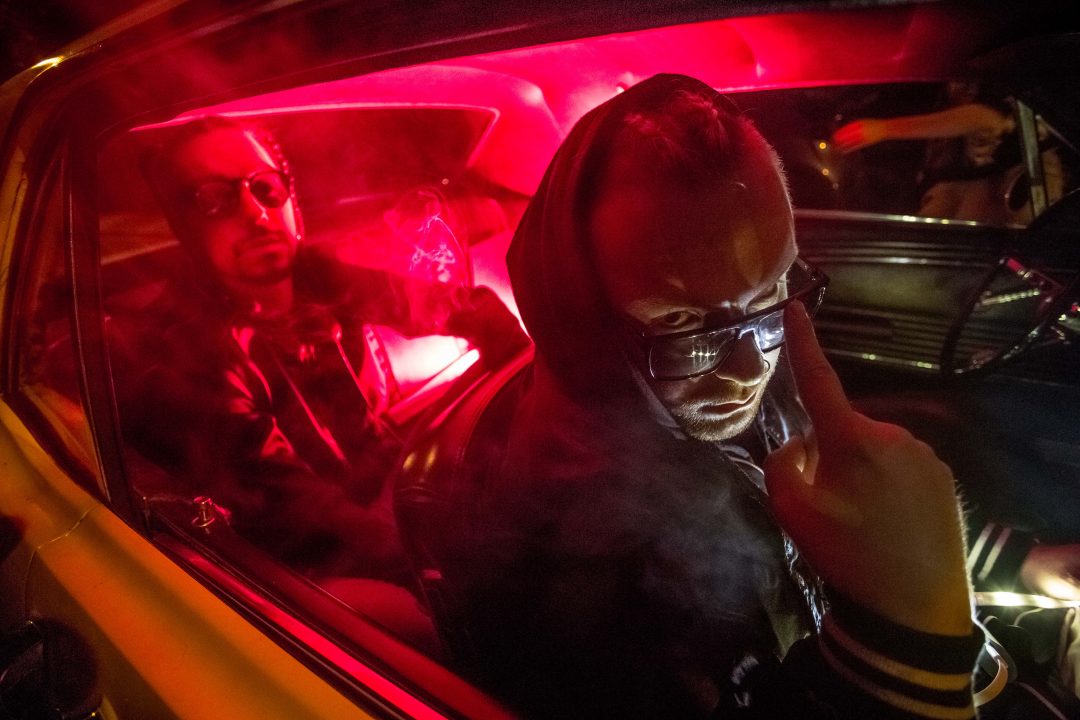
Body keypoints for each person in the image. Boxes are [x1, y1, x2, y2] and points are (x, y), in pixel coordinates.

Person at [442, 74, 984, 718]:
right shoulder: (575, 587)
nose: (751, 369)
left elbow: (823, 498)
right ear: (583, 328)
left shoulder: (713, 363)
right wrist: (912, 646)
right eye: (682, 320)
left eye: (772, 289)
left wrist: (1004, 563)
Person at [109, 116, 528, 586]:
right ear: (181, 224)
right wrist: (428, 557)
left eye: (266, 188)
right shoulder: (185, 350)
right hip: (300, 580)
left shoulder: (315, 278)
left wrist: (528, 386)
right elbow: (293, 506)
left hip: (386, 508)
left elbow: (457, 309)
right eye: (213, 199)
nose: (256, 214)